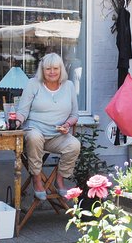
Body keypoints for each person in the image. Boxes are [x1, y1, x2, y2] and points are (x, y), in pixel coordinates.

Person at [14, 53, 81, 200]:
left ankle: (59, 180)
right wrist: (15, 122)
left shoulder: (69, 86)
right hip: (34, 132)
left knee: (74, 145)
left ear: (61, 69)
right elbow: (22, 111)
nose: (52, 72)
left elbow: (74, 114)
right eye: (48, 69)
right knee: (34, 136)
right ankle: (37, 179)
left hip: (57, 135)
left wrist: (67, 124)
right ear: (42, 70)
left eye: (55, 68)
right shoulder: (33, 84)